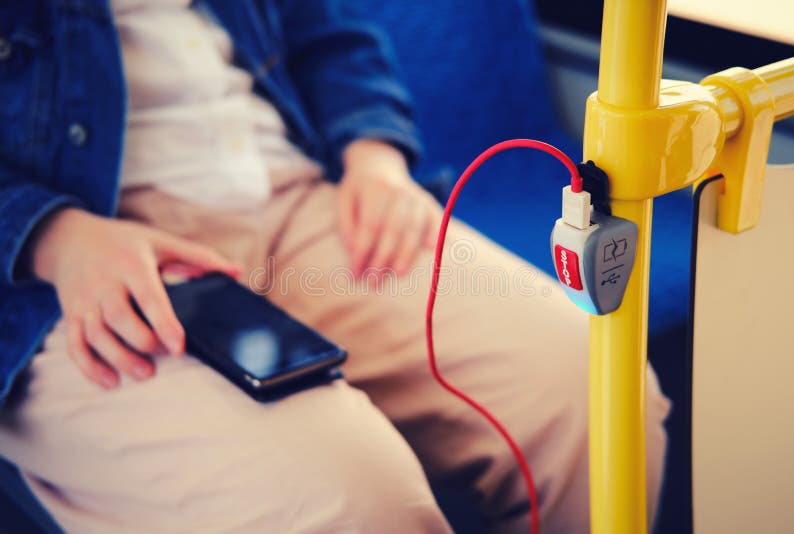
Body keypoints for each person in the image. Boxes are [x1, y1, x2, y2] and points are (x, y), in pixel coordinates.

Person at [0, 1, 671, 532]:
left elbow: (327, 27)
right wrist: (52, 235)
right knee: (353, 504)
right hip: (66, 256)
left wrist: (372, 149)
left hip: (290, 185)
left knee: (597, 391)